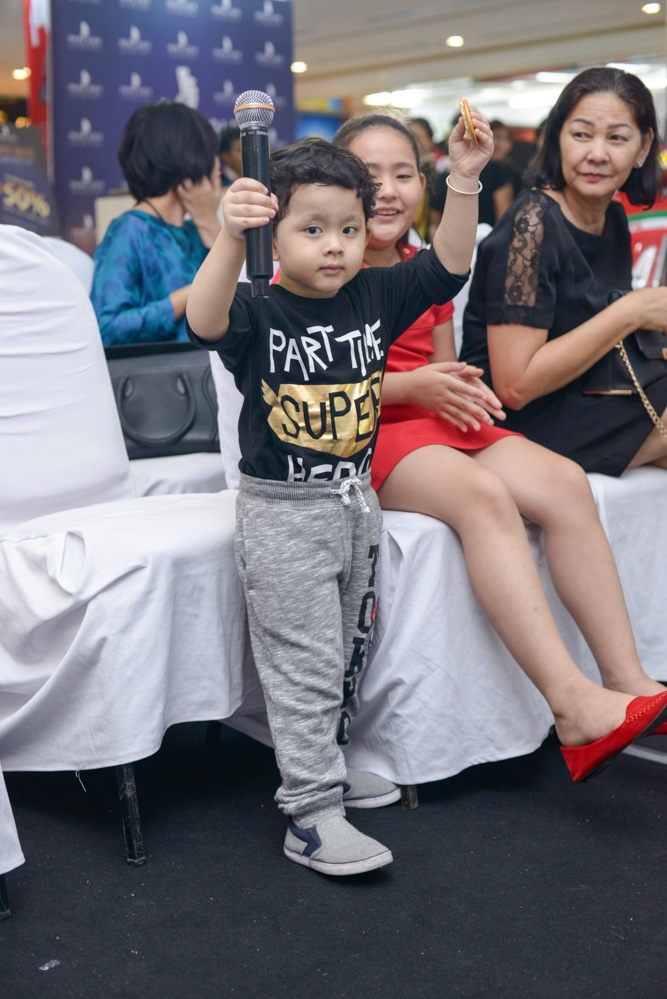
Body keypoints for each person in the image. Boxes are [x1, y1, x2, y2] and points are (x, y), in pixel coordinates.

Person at [185, 118, 492, 876]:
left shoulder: (375, 293)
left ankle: (324, 765)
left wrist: (462, 179)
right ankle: (311, 814)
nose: (335, 246)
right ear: (274, 233)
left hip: (353, 504)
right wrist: (230, 236)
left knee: (350, 649)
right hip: (282, 513)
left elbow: (449, 266)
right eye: (312, 229)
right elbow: (203, 319)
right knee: (304, 662)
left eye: (349, 229)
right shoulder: (257, 307)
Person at [332, 111, 667, 787]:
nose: (389, 191)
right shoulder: (322, 261)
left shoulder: (419, 268)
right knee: (483, 495)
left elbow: (441, 360)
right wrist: (416, 387)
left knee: (563, 482)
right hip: (362, 427)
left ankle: (629, 683)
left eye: (403, 174)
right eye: (370, 176)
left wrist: (455, 388)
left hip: (433, 414)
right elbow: (310, 380)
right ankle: (571, 706)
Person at [460, 67, 667, 475]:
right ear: (557, 138)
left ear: (643, 148)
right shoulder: (531, 224)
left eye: (617, 138)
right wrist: (632, 311)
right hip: (523, 417)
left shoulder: (612, 217)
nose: (597, 154)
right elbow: (515, 386)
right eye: (581, 135)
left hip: (593, 391)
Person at [90, 101, 222, 345]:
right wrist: (193, 293)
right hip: (169, 368)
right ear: (189, 158)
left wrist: (208, 220)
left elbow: (240, 298)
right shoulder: (129, 231)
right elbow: (107, 327)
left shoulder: (195, 231)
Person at [488, 118, 524, 198]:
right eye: (490, 137)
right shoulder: (475, 171)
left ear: (510, 143)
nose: (495, 142)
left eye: (499, 137)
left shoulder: (515, 173)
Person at [218, 124, 243, 191]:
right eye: (240, 150)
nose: (246, 155)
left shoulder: (256, 178)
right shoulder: (218, 182)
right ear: (225, 156)